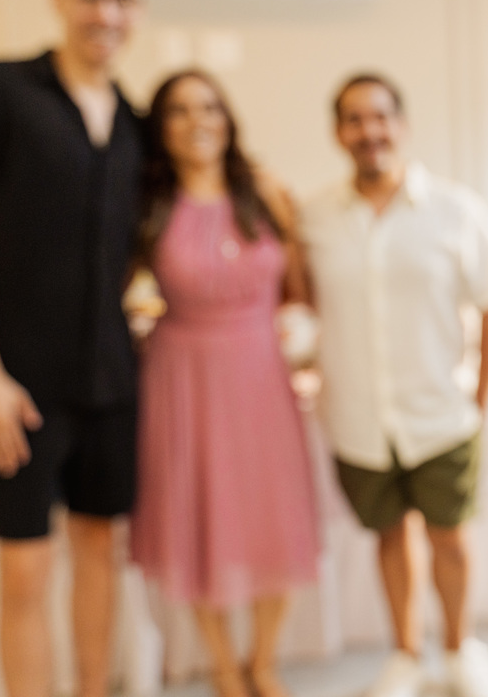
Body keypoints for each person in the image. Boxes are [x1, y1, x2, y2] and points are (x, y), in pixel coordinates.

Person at [0, 0, 146, 697]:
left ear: (138, 10)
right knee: (25, 570)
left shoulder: (133, 121)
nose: (104, 12)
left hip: (113, 381)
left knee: (100, 551)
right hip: (18, 380)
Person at [302, 73, 488, 697]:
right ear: (338, 132)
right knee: (388, 536)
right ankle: (404, 655)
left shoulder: (455, 208)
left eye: (380, 117)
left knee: (450, 536)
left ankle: (458, 651)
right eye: (353, 119)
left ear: (401, 125)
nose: (369, 131)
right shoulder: (316, 217)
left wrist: (479, 400)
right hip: (357, 417)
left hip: (440, 414)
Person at [129, 71, 320, 697]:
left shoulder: (264, 191)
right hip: (182, 375)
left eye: (209, 106)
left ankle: (263, 660)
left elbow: (300, 284)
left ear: (228, 118)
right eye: (179, 111)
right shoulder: (147, 205)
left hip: (262, 371)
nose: (197, 121)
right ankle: (222, 664)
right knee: (197, 517)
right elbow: (118, 290)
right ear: (161, 128)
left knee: (273, 513)